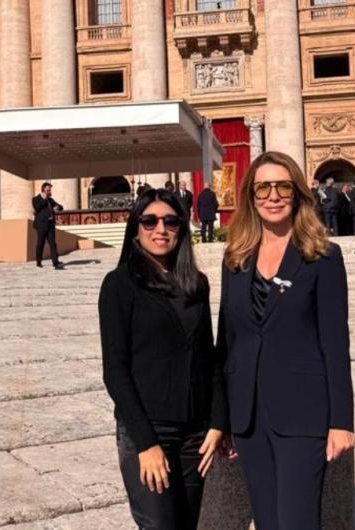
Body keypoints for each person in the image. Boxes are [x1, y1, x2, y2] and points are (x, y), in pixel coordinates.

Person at [216, 151, 355, 530]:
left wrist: (341, 421)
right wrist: (223, 419)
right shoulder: (235, 259)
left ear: (298, 193)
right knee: (267, 521)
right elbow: (226, 343)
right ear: (251, 195)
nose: (273, 196)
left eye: (283, 187)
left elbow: (335, 343)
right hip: (248, 416)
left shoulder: (322, 256)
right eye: (263, 188)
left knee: (296, 521)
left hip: (302, 413)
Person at [99, 188, 229, 529]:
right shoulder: (119, 285)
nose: (161, 229)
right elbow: (115, 371)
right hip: (148, 428)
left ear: (182, 228)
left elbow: (209, 357)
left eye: (171, 221)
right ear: (136, 227)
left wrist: (218, 422)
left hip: (195, 433)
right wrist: (146, 444)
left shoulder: (196, 283)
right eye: (150, 221)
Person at [32, 182, 65, 270]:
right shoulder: (35, 199)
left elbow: (61, 207)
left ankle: (55, 262)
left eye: (50, 189)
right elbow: (37, 207)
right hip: (41, 225)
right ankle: (38, 261)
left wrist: (58, 207)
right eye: (48, 189)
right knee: (40, 243)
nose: (50, 191)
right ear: (43, 189)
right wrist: (45, 199)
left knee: (53, 244)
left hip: (50, 225)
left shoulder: (51, 200)